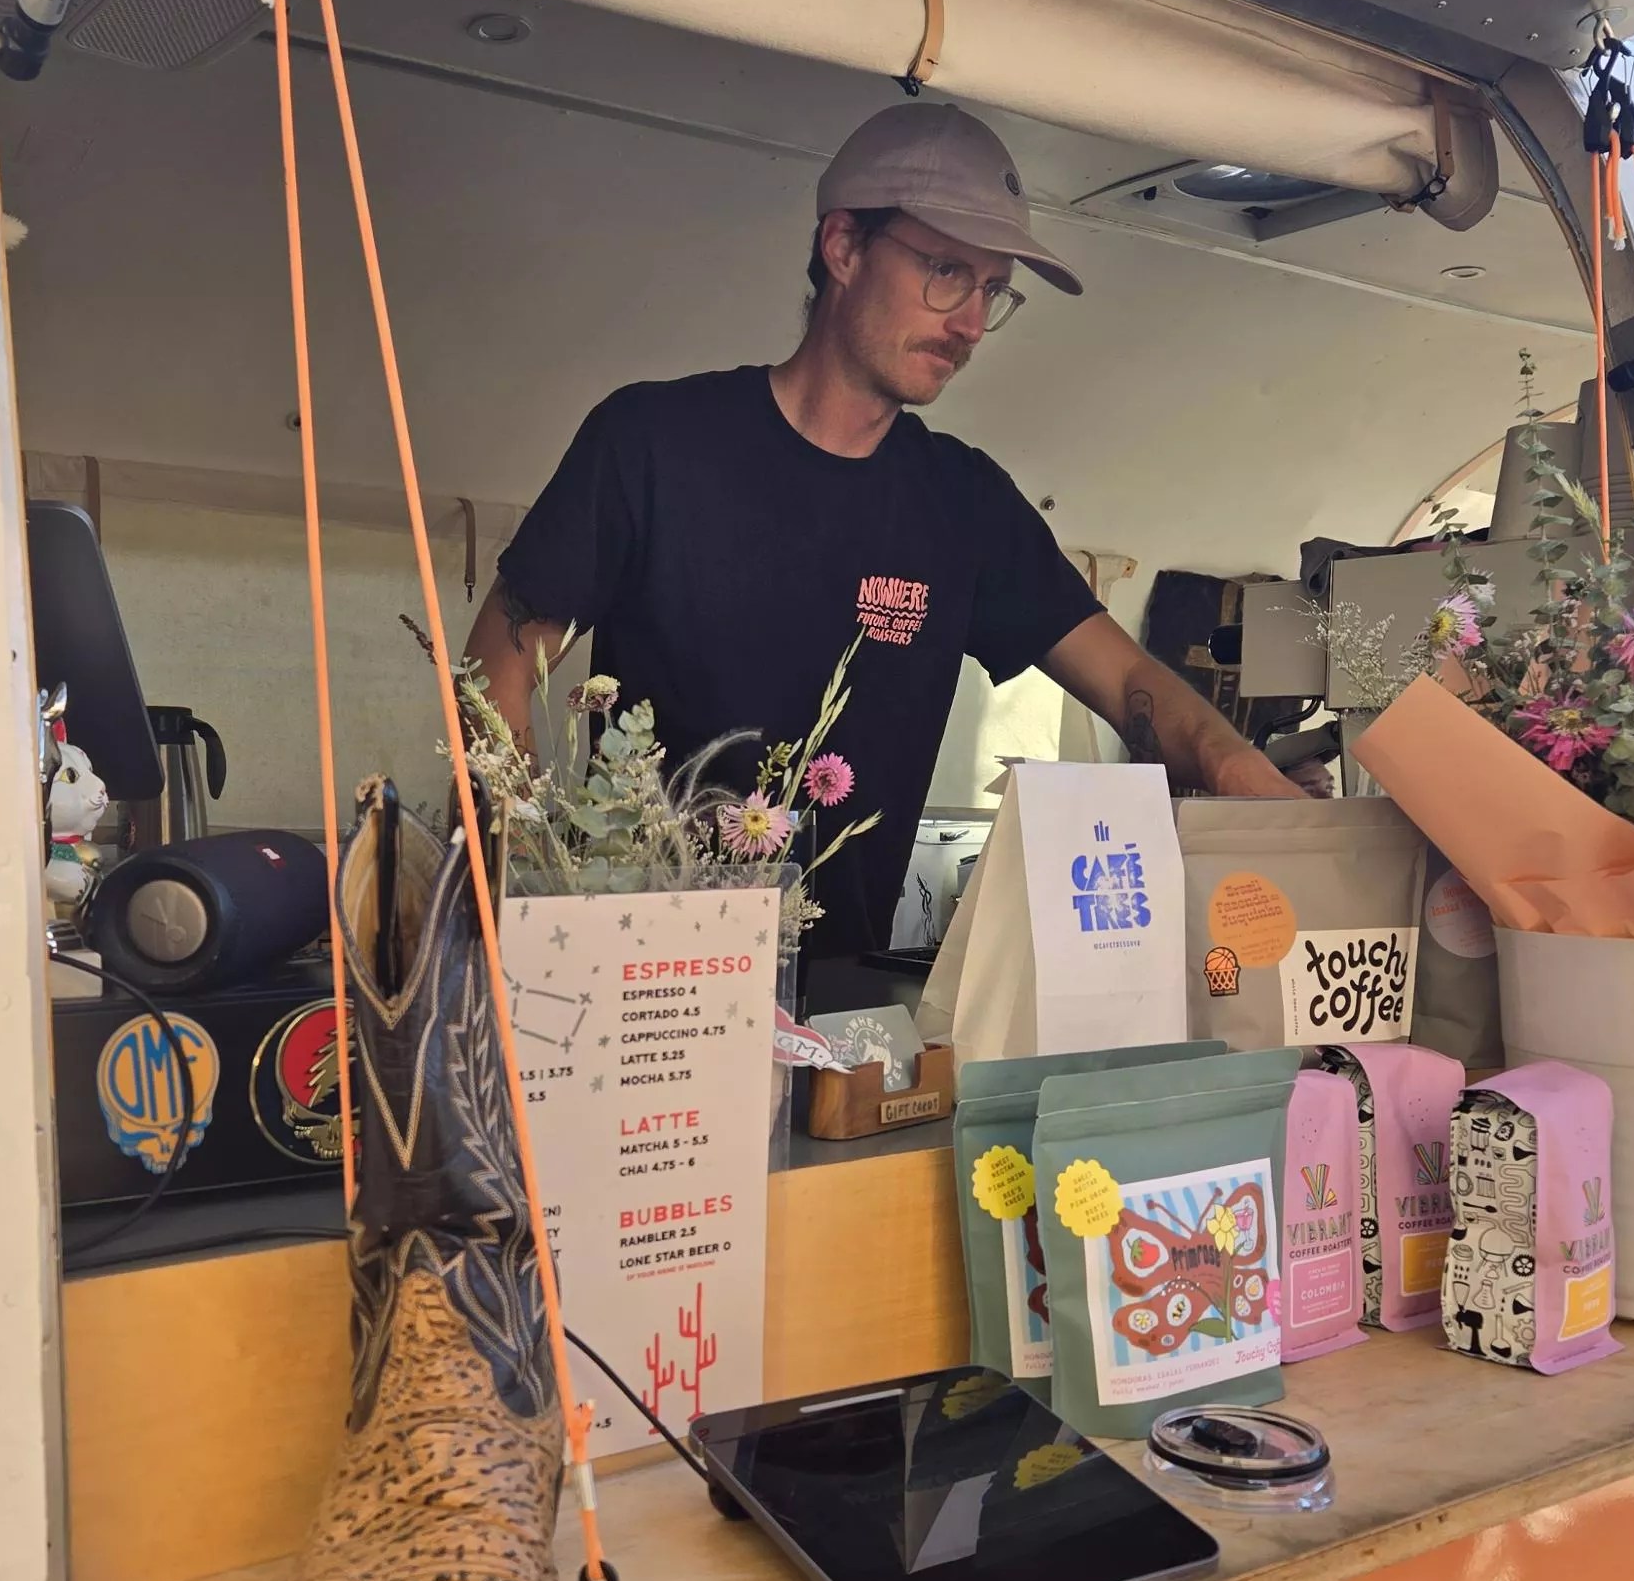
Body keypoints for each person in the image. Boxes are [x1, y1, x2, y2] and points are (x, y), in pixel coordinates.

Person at [468, 100, 1307, 958]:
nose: (971, 323)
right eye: (945, 270)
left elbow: (1126, 673)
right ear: (842, 247)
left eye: (990, 290)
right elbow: (493, 678)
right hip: (643, 990)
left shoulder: (965, 503)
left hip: (842, 1001)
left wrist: (1237, 768)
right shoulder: (651, 445)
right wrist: (540, 899)